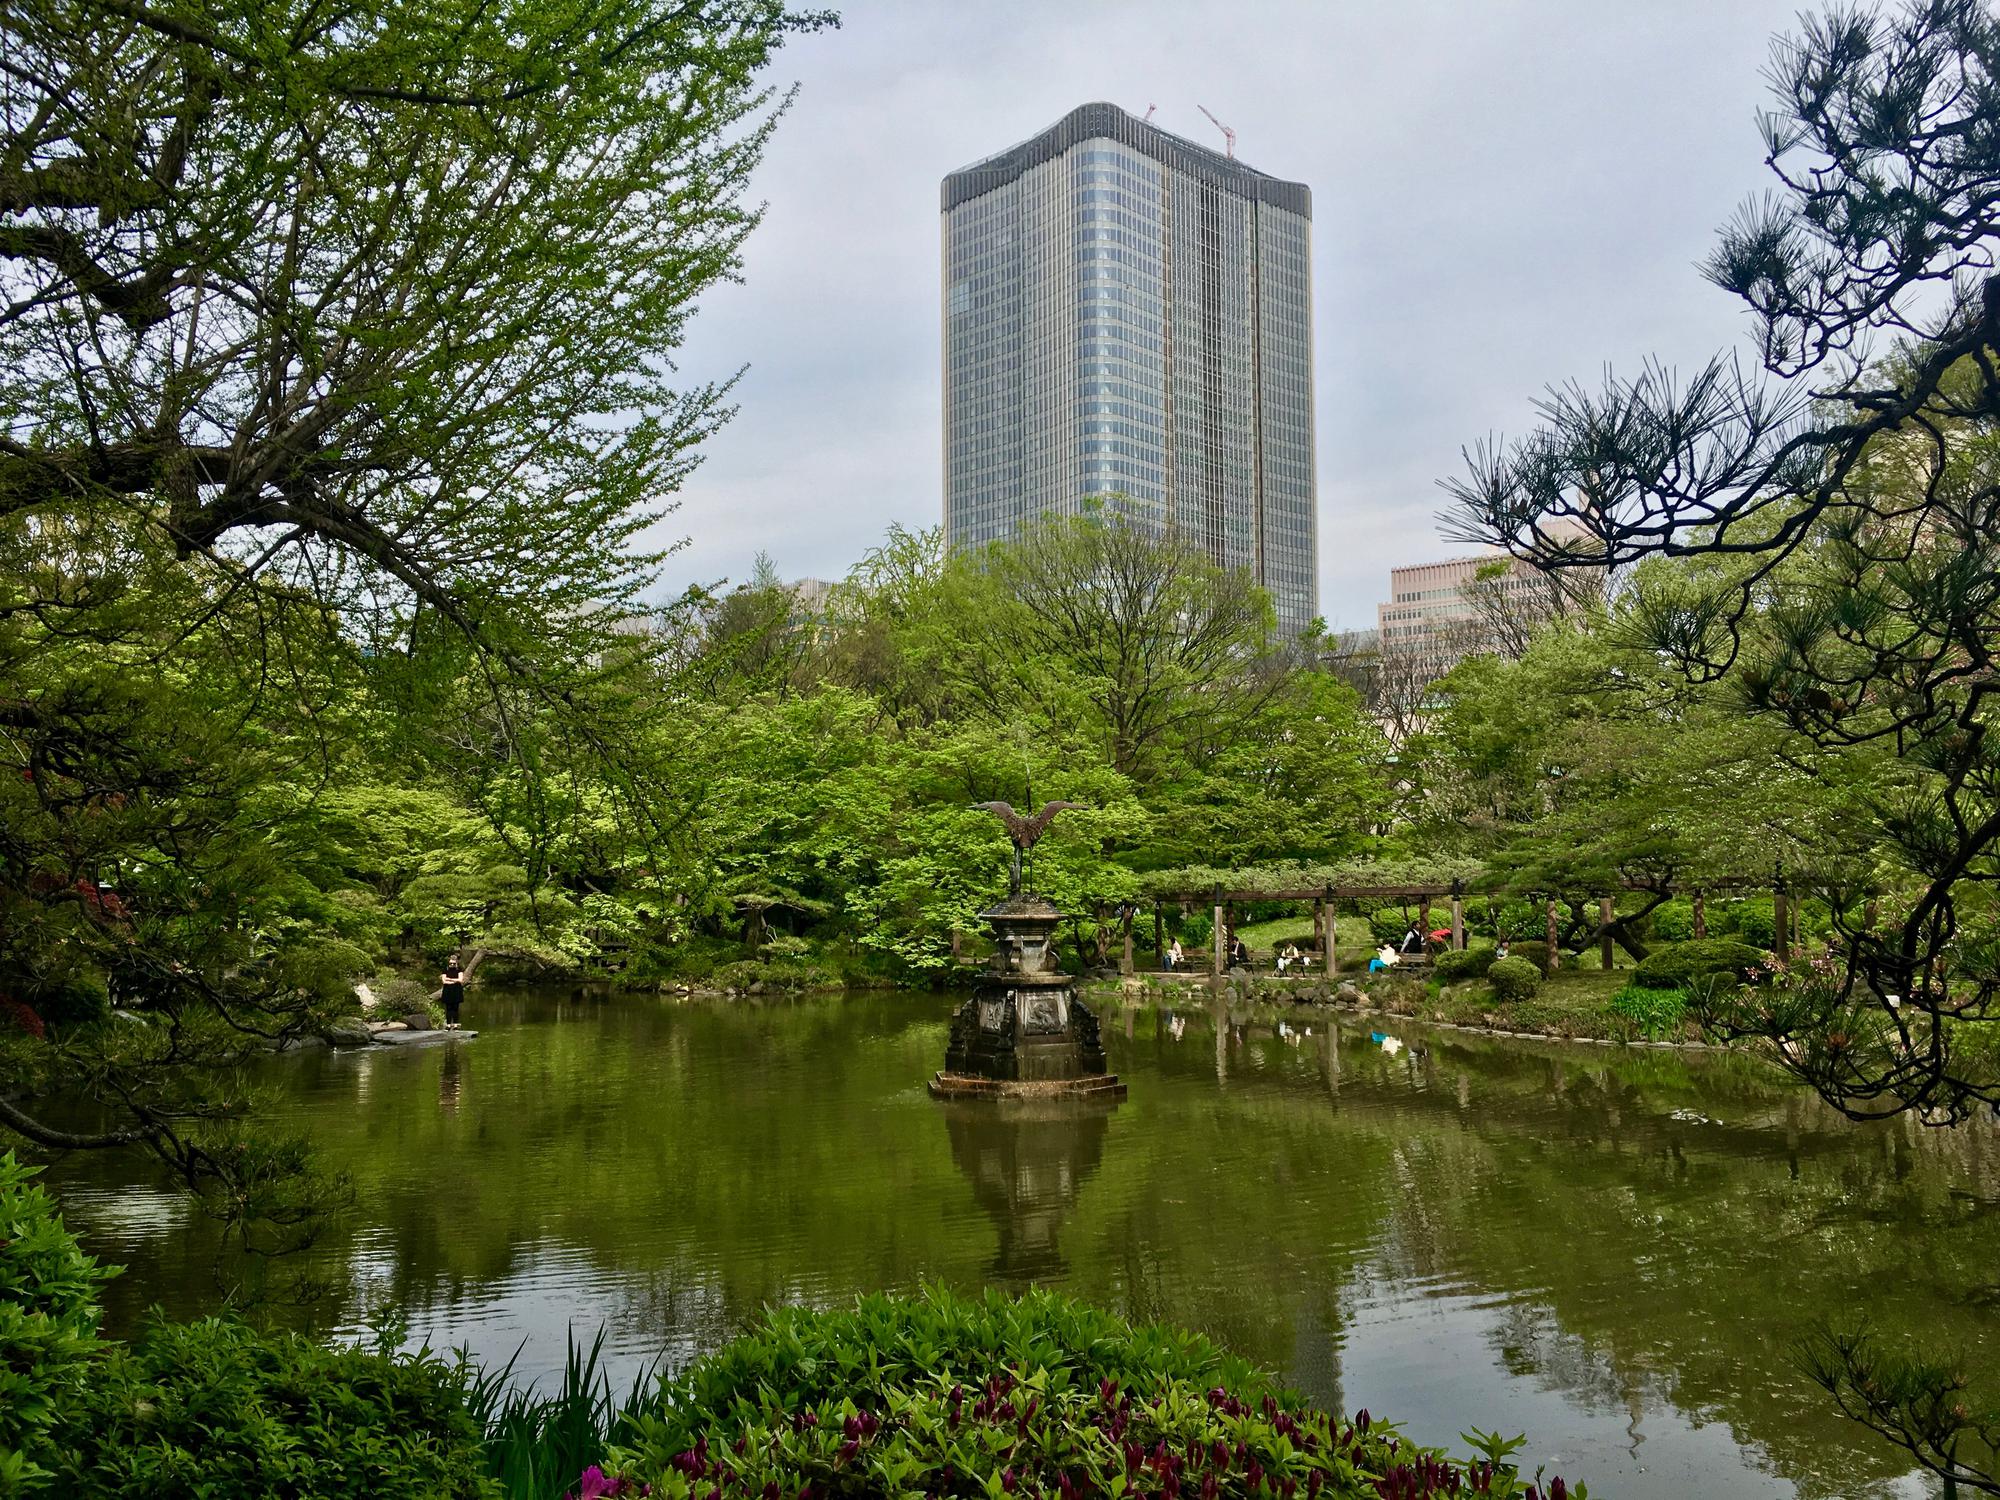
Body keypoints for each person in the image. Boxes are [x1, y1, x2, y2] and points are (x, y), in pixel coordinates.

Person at [440, 954, 466, 1030]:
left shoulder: (459, 969)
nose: (452, 965)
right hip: (447, 990)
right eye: (450, 963)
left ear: (456, 963)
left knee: (455, 1008)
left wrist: (450, 979)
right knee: (448, 1008)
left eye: (453, 963)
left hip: (456, 990)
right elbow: (444, 981)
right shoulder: (445, 969)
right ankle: (448, 1025)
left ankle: (455, 1024)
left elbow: (460, 980)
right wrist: (454, 980)